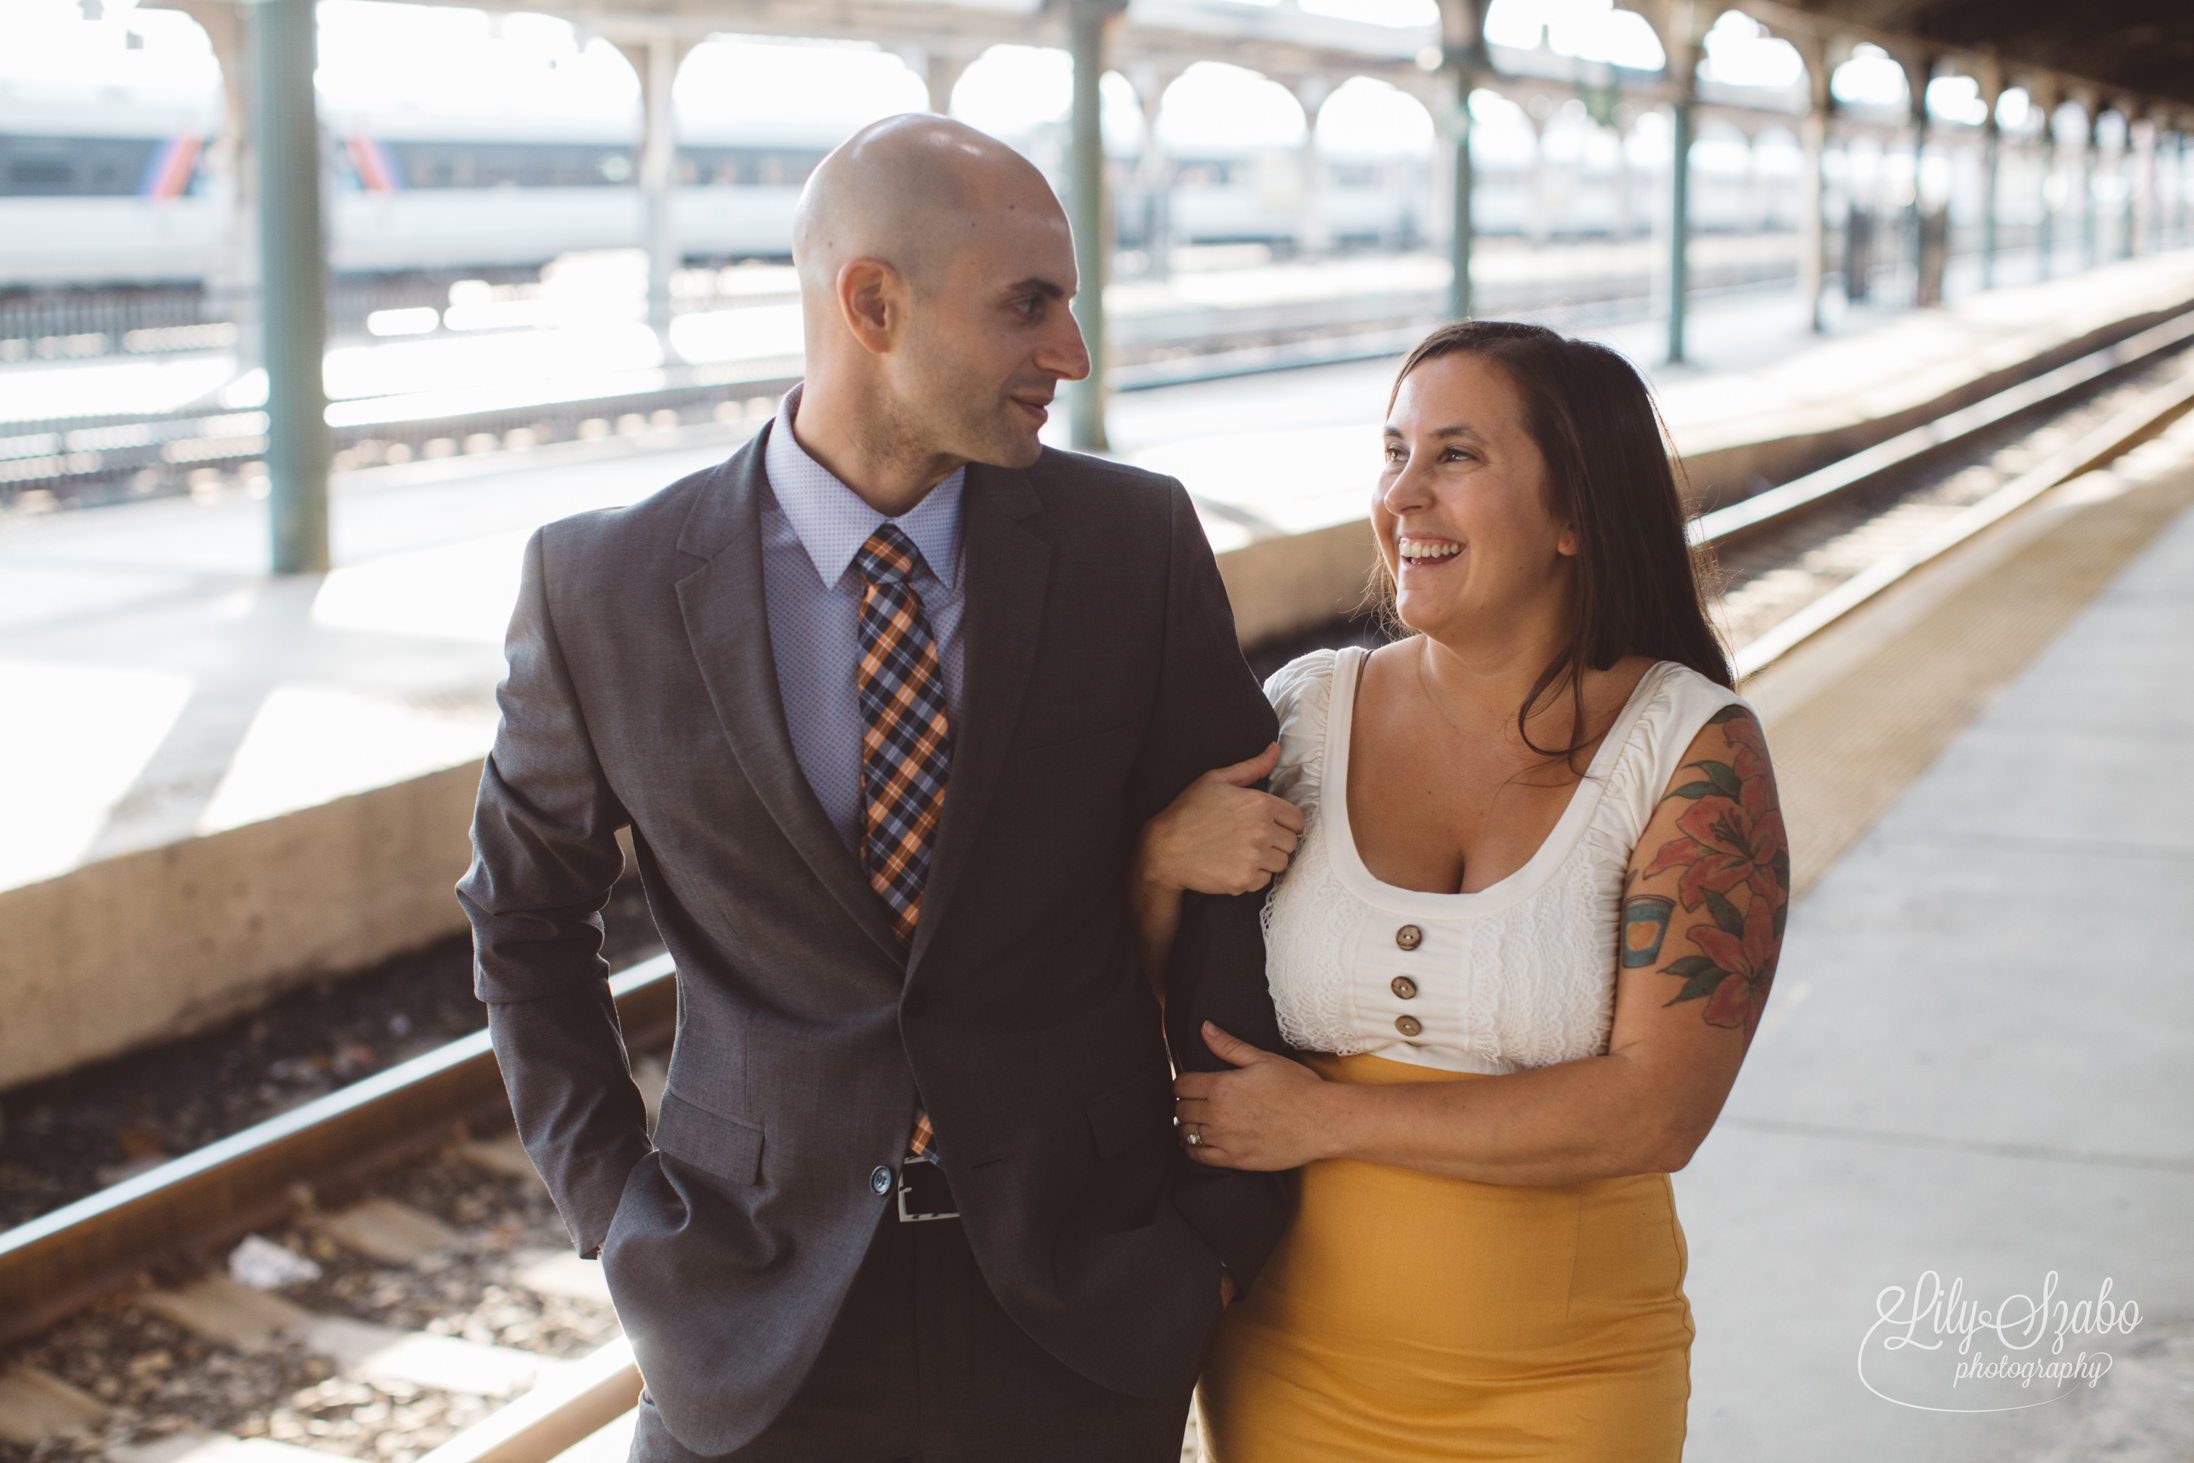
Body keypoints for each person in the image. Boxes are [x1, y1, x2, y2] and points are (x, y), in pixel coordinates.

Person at [457, 114, 1291, 1463]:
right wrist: (614, 1211)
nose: (1069, 353)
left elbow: (1241, 886)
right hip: (749, 1313)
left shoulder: (1129, 543)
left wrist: (1209, 1237)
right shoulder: (600, 586)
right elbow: (521, 918)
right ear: (872, 303)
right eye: (1029, 306)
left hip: (1078, 1306)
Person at [1133, 320, 1789, 1460]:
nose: (1403, 497)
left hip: (1570, 1386)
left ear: (1575, 511)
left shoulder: (1689, 748)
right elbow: (1155, 999)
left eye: (1456, 456)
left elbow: (1658, 1108)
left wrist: (1326, 1116)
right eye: (1394, 452)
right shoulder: (1301, 715)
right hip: (1287, 1366)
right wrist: (1153, 861)